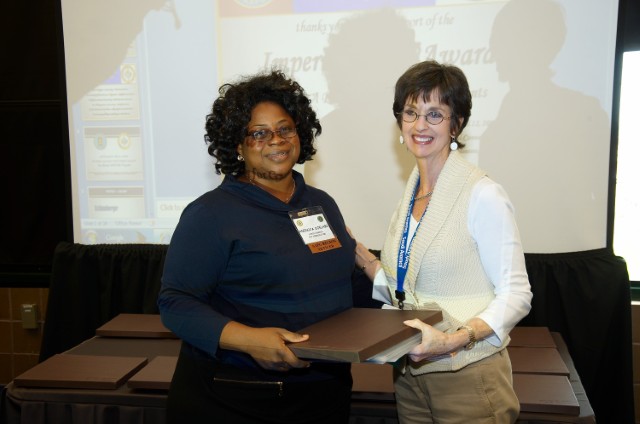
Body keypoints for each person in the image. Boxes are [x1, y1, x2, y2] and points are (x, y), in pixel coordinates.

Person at [157, 70, 355, 423]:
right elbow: (175, 304)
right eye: (259, 133)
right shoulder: (210, 214)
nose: (276, 141)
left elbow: (343, 285)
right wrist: (249, 340)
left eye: (285, 129)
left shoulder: (321, 204)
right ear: (238, 145)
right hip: (238, 399)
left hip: (324, 396)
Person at [353, 60, 533, 424]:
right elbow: (406, 289)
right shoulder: (411, 194)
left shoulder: (483, 194)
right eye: (411, 112)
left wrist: (456, 339)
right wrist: (355, 251)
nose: (420, 125)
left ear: (457, 124)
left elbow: (517, 294)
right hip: (410, 377)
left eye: (434, 114)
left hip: (468, 375)